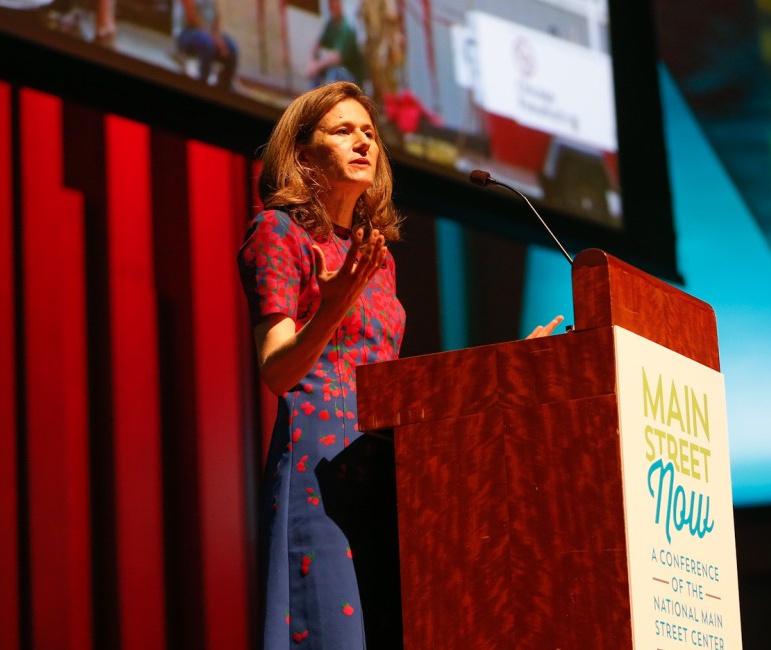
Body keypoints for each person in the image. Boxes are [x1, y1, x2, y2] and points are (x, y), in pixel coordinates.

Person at [239, 81, 561, 648]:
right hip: (319, 467)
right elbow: (276, 371)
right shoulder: (279, 232)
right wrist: (331, 308)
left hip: (391, 475)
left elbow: (400, 387)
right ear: (303, 153)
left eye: (369, 133)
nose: (363, 142)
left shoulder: (374, 258)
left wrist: (507, 366)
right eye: (343, 131)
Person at [175, 0, 238, 90]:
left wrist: (217, 38)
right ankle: (202, 84)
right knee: (206, 42)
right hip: (187, 33)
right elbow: (191, 18)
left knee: (231, 47)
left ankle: (225, 87)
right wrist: (213, 37)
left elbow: (216, 18)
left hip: (208, 35)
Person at [306, 0, 365, 88]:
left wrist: (317, 66)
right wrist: (311, 63)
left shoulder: (347, 28)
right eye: (330, 3)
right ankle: (312, 98)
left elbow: (337, 57)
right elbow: (316, 45)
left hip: (352, 77)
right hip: (337, 70)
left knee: (334, 71)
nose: (332, 6)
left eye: (335, 2)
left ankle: (331, 99)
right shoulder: (331, 24)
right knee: (317, 70)